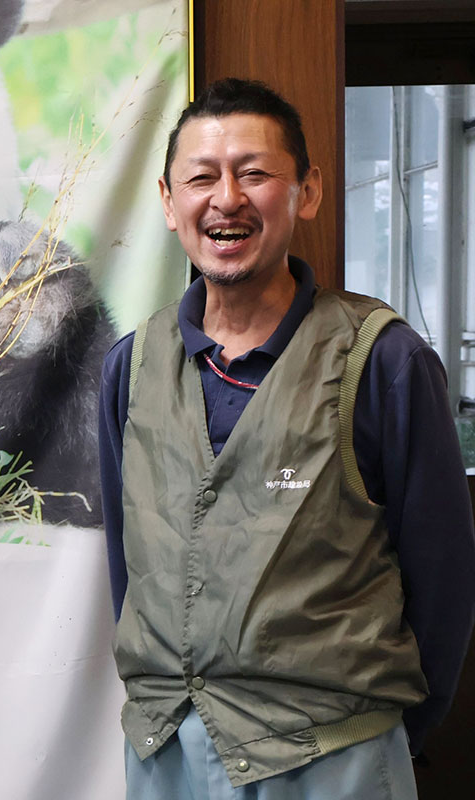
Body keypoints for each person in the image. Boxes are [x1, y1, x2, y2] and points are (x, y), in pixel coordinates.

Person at [99, 78, 475, 798]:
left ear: (307, 192)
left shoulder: (382, 361)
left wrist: (387, 733)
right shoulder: (131, 365)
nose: (227, 198)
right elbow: (130, 568)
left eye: (255, 173)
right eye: (202, 177)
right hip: (167, 754)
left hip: (333, 755)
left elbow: (444, 581)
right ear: (168, 202)